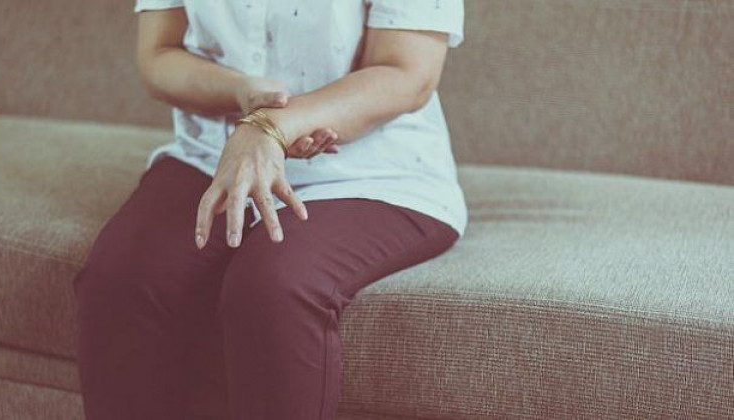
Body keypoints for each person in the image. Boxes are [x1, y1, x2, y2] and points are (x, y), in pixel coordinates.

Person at [72, 0, 468, 419]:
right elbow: (159, 54)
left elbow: (407, 73)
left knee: (271, 289)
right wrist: (242, 92)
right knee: (121, 280)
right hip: (213, 156)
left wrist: (273, 127)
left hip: (372, 172)